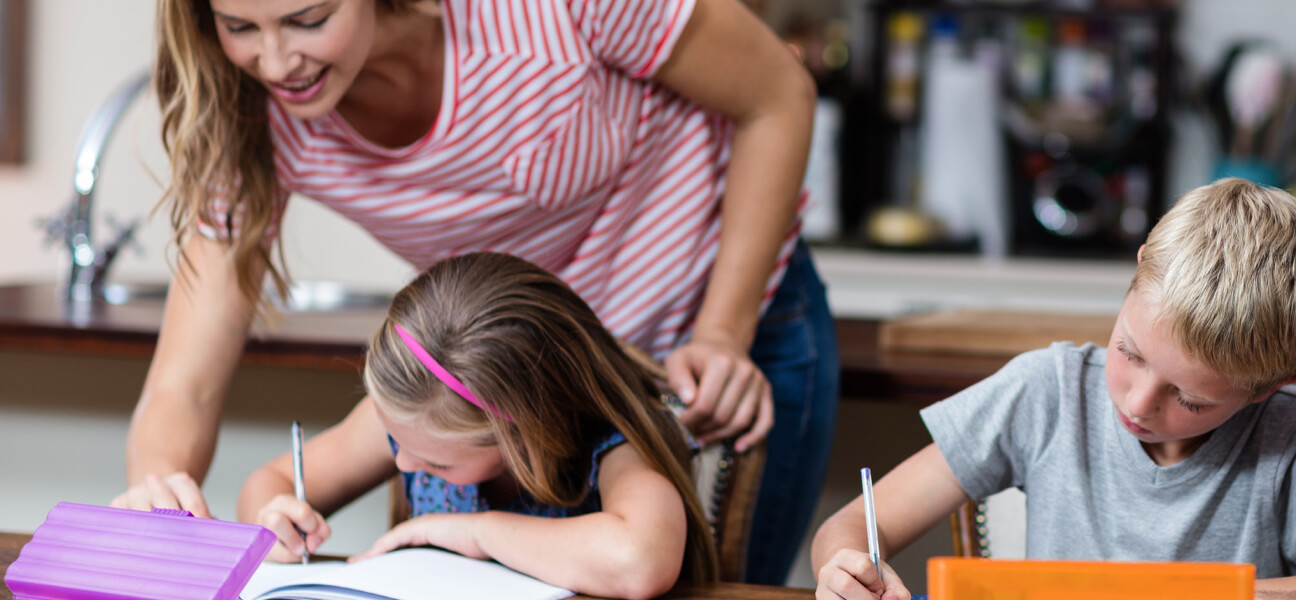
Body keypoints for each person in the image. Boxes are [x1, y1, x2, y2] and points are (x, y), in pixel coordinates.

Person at [122, 0, 835, 583]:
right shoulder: (254, 110)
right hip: (490, 365)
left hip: (711, 324)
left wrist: (721, 334)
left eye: (310, 19)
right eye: (238, 26)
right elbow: (185, 385)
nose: (275, 63)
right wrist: (160, 495)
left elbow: (778, 96)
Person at [810, 179, 1296, 600]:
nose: (1136, 403)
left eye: (1190, 399)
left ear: (1268, 388)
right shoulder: (1047, 392)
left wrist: (1218, 595)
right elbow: (848, 528)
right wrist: (846, 572)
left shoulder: (1292, 438)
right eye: (1129, 353)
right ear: (1137, 273)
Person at [237, 252, 716, 599]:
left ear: (525, 435)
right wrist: (274, 518)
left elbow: (640, 562)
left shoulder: (611, 446)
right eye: (395, 440)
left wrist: (476, 532)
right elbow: (267, 483)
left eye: (437, 462)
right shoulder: (411, 419)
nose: (402, 461)